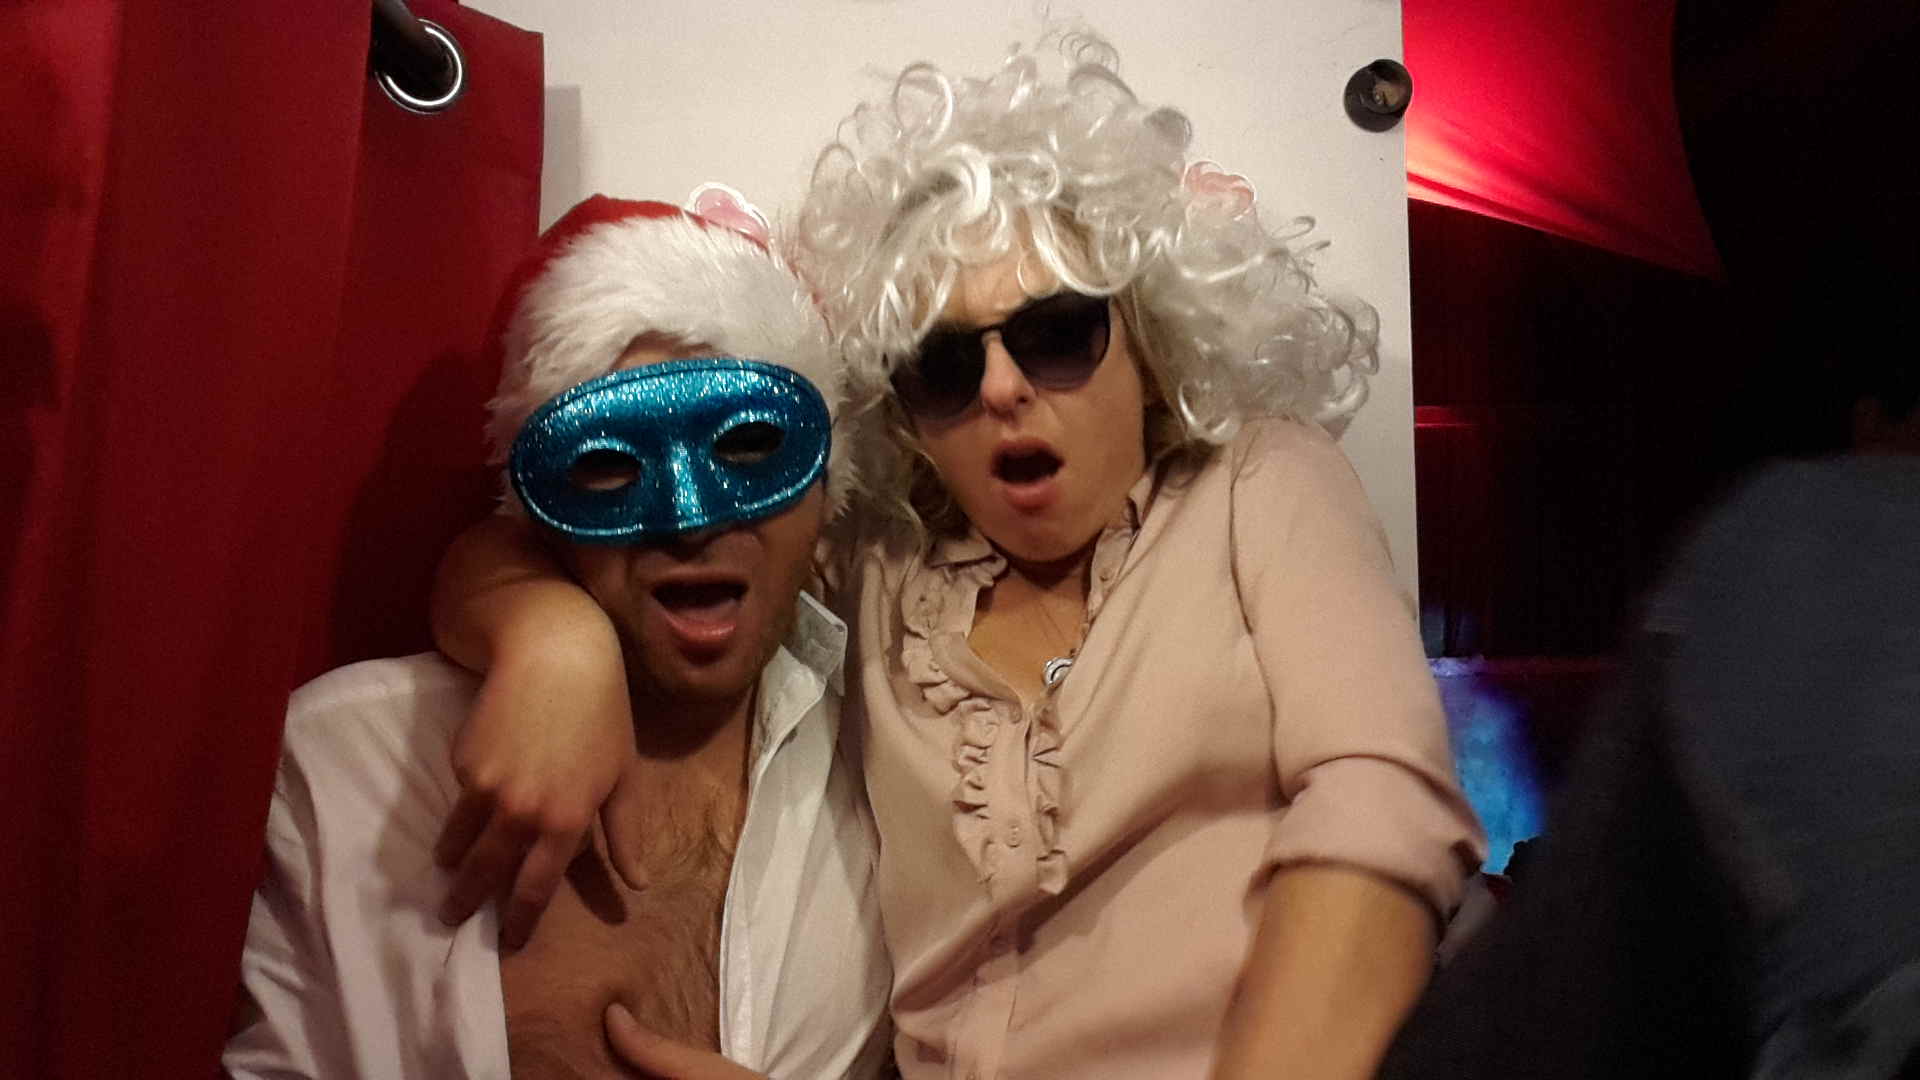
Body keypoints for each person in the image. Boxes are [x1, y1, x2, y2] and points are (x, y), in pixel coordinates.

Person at [431, 35, 1485, 1080]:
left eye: (1058, 334)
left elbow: (1380, 806)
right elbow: (576, 540)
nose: (1000, 388)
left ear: (1152, 344)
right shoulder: (880, 574)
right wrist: (551, 642)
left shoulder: (1258, 483)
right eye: (944, 363)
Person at [224, 193, 892, 1080]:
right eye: (608, 462)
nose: (690, 518)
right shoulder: (341, 765)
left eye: (749, 446)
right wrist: (548, 635)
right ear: (533, 510)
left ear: (826, 487)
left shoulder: (902, 759)